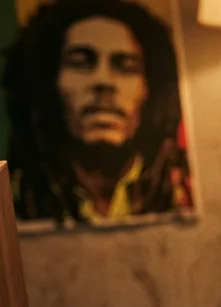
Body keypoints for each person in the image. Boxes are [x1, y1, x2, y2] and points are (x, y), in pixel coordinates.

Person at [3, 0, 192, 226]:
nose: (103, 82)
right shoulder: (13, 203)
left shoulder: (182, 192)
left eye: (126, 66)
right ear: (49, 84)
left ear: (150, 88)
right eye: (81, 63)